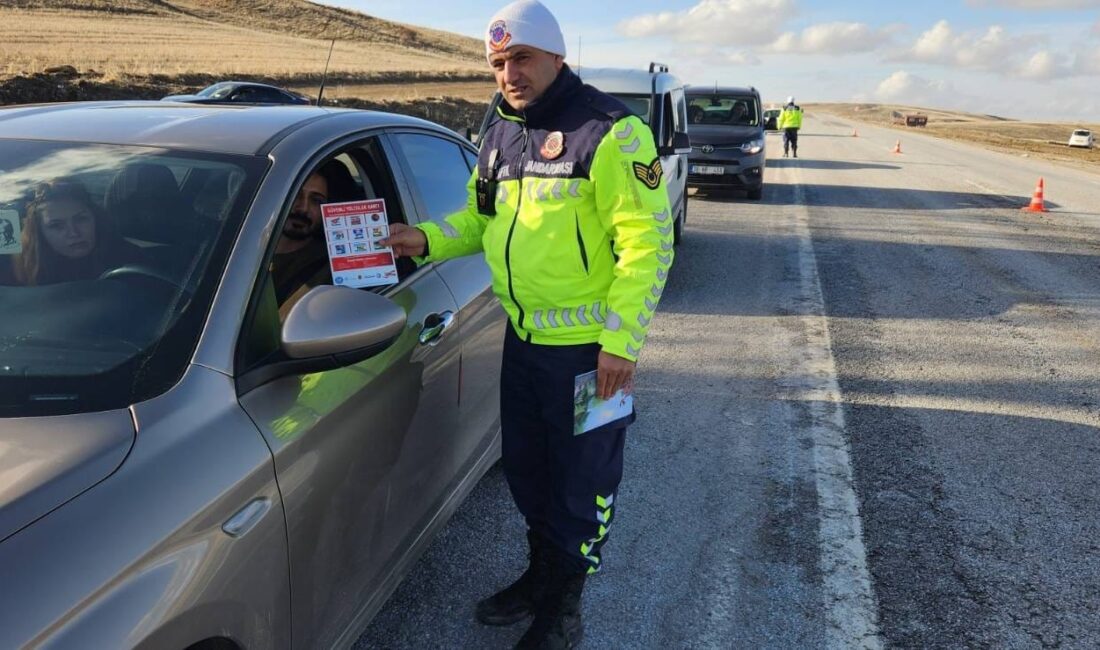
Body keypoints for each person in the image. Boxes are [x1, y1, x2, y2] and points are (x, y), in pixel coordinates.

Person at [382, 1, 673, 647]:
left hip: (590, 352)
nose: (509, 74)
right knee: (530, 472)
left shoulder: (612, 132)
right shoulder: (499, 133)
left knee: (583, 483)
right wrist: (421, 239)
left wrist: (621, 346)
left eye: (521, 58)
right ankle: (541, 576)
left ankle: (564, 608)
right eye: (497, 63)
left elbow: (649, 245)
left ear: (556, 57)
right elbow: (479, 222)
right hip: (525, 342)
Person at [5, 179, 144, 286]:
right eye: (57, 226)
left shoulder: (132, 262)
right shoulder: (18, 267)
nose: (73, 233)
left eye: (81, 219)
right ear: (40, 233)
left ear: (95, 218)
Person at [270, 159, 358, 312]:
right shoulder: (239, 245)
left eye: (316, 201)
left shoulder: (331, 268)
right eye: (295, 195)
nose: (302, 208)